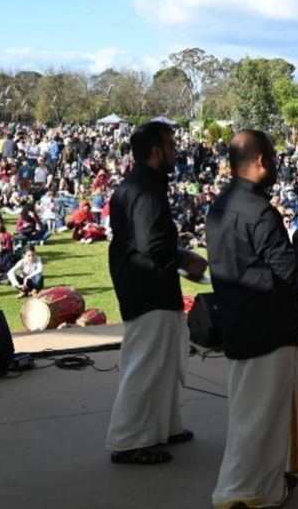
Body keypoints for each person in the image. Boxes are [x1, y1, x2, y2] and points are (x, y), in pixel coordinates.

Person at [207, 130, 298, 509]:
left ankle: (269, 478)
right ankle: (242, 491)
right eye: (273, 157)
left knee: (255, 411)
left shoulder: (221, 204)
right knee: (259, 418)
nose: (276, 165)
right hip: (269, 328)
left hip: (240, 322)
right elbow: (288, 269)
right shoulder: (259, 211)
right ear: (260, 161)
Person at [105, 121, 207, 466]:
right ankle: (128, 440)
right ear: (155, 151)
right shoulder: (146, 190)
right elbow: (152, 243)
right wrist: (185, 259)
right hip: (146, 286)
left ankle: (161, 428)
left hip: (147, 283)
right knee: (147, 364)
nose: (175, 152)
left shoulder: (137, 185)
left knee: (166, 360)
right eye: (171, 146)